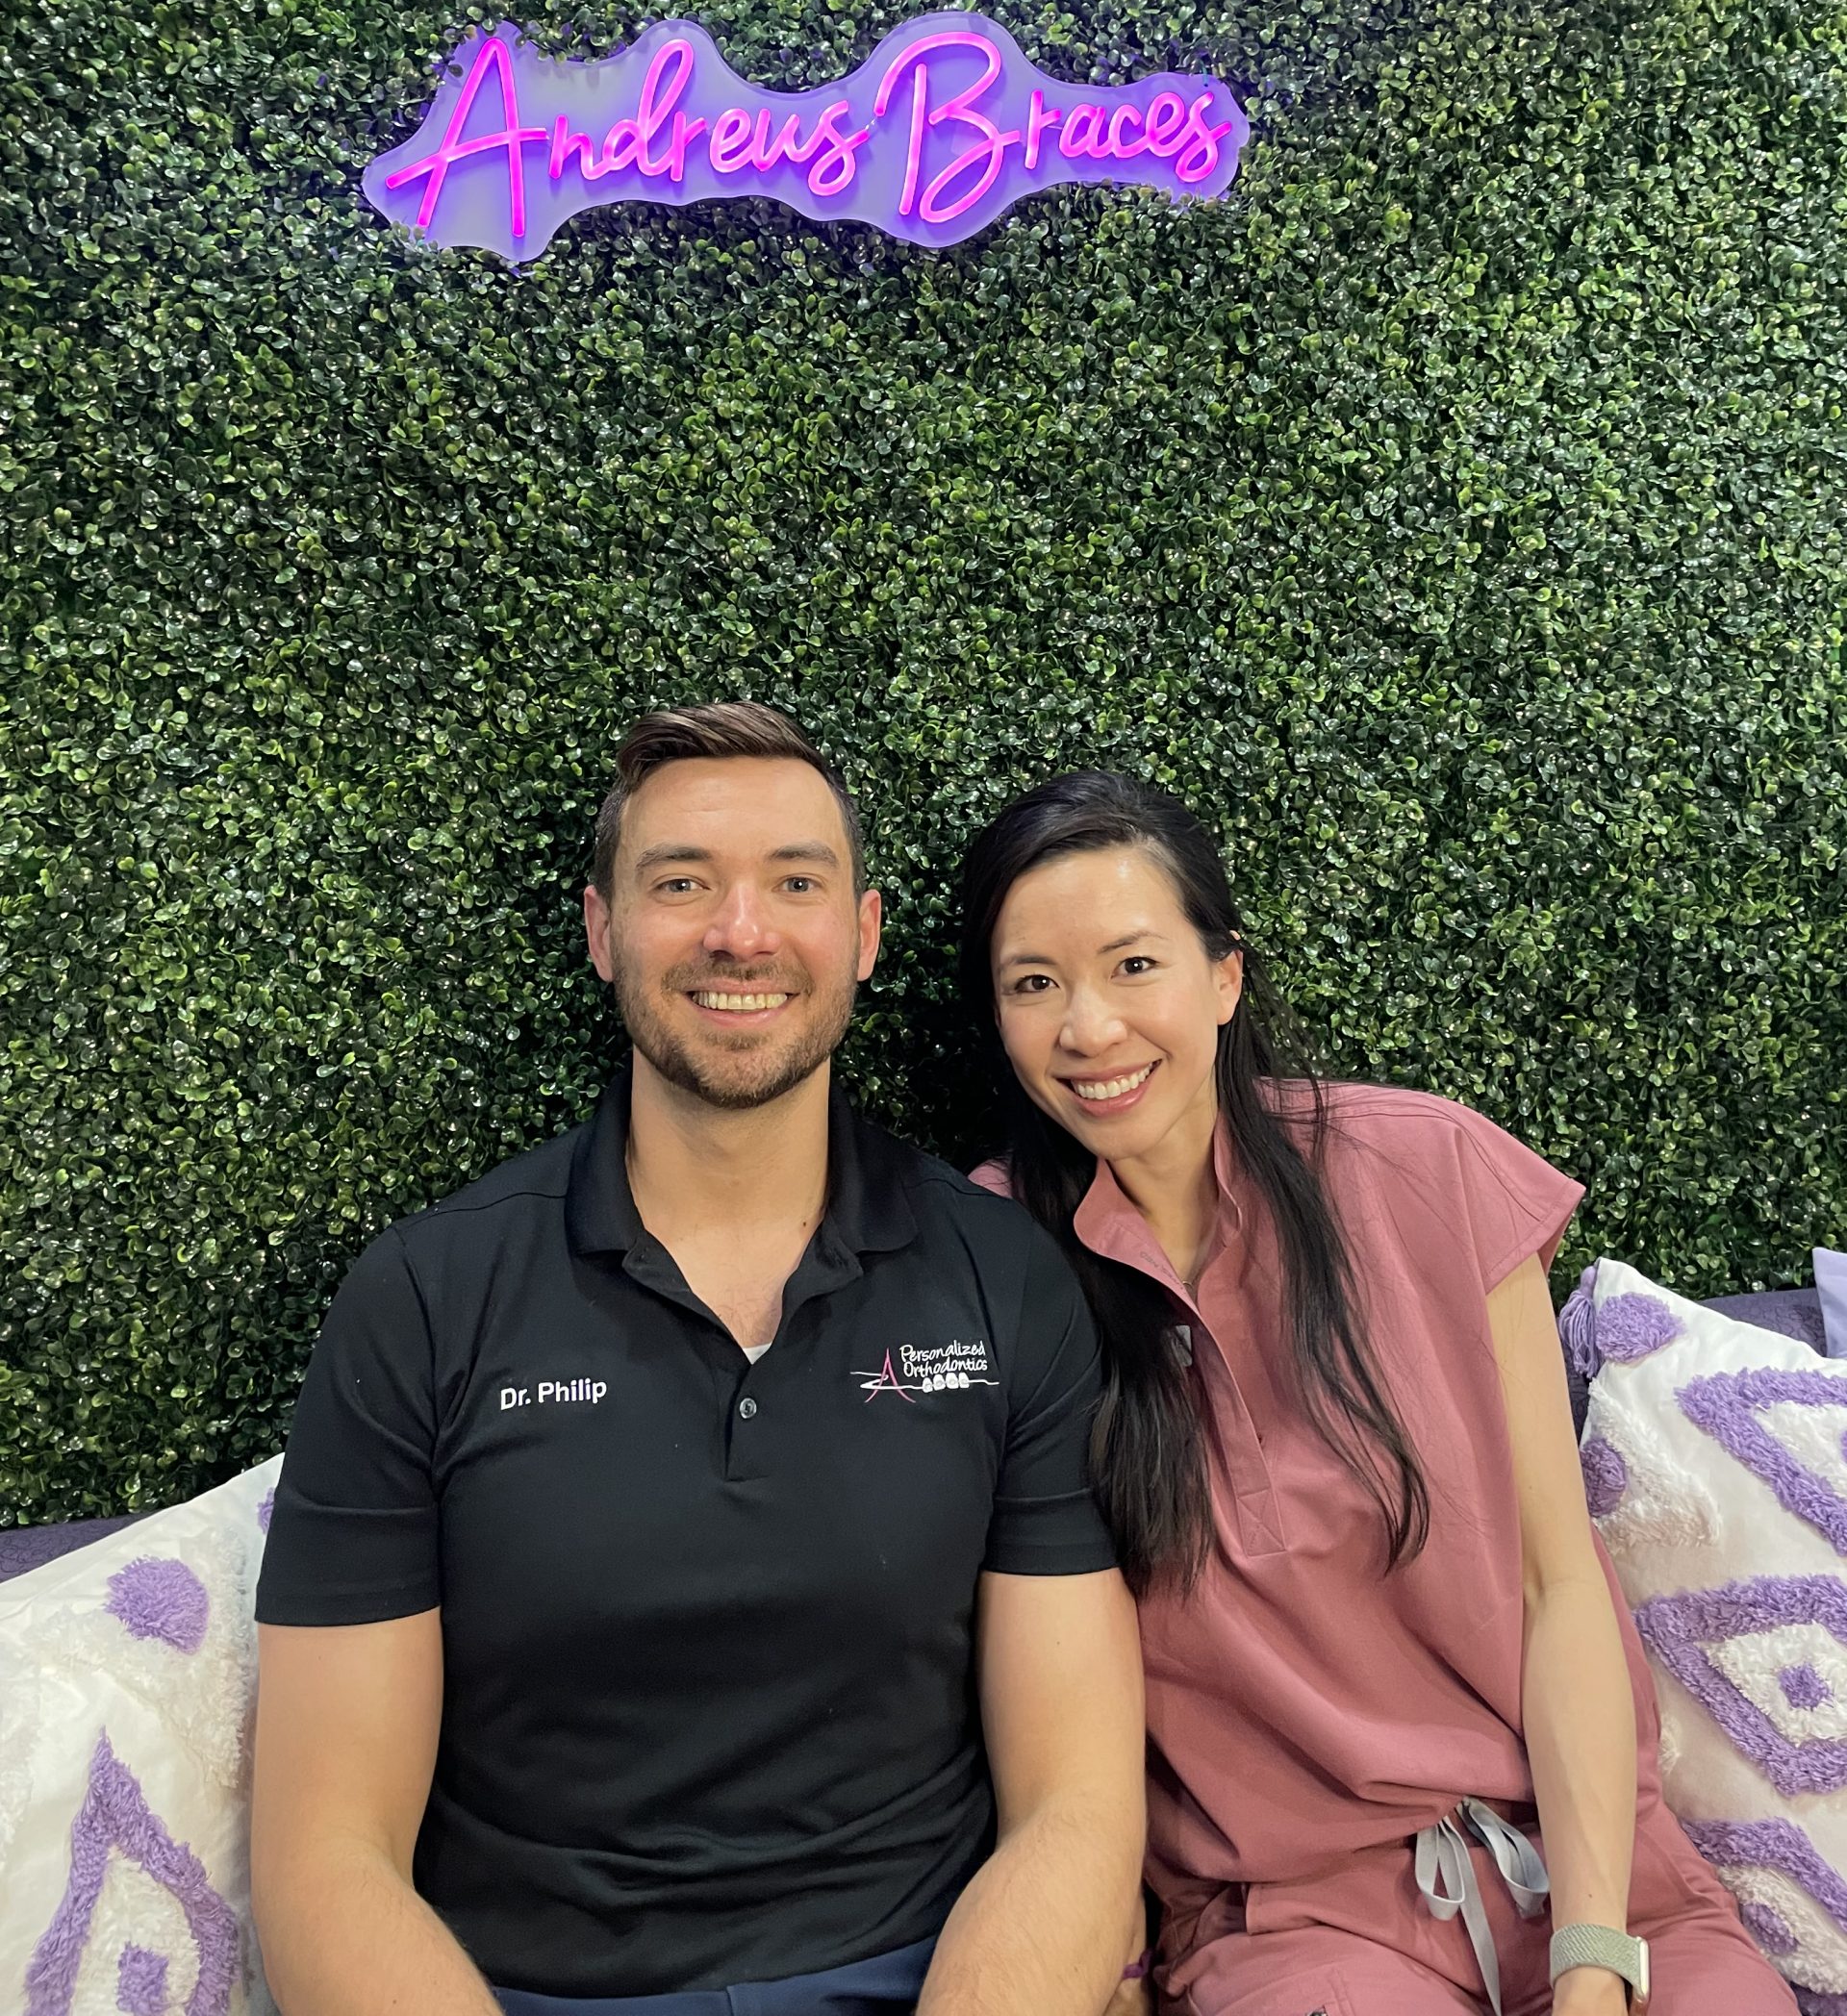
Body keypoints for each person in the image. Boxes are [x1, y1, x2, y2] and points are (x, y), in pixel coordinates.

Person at [251, 704, 1145, 2016]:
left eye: (796, 883)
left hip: (925, 1981)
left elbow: (1077, 1803)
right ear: (603, 931)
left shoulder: (1003, 1278)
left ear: (864, 935)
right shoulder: (427, 1300)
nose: (741, 931)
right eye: (681, 884)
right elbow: (325, 1855)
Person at [957, 769, 1795, 2016]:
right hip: (1296, 1924)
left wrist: (1592, 1955)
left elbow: (1557, 1584)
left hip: (1595, 1876)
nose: (1089, 1027)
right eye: (1034, 984)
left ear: (1224, 977)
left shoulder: (1428, 1168)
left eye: (1134, 965)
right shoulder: (994, 1263)